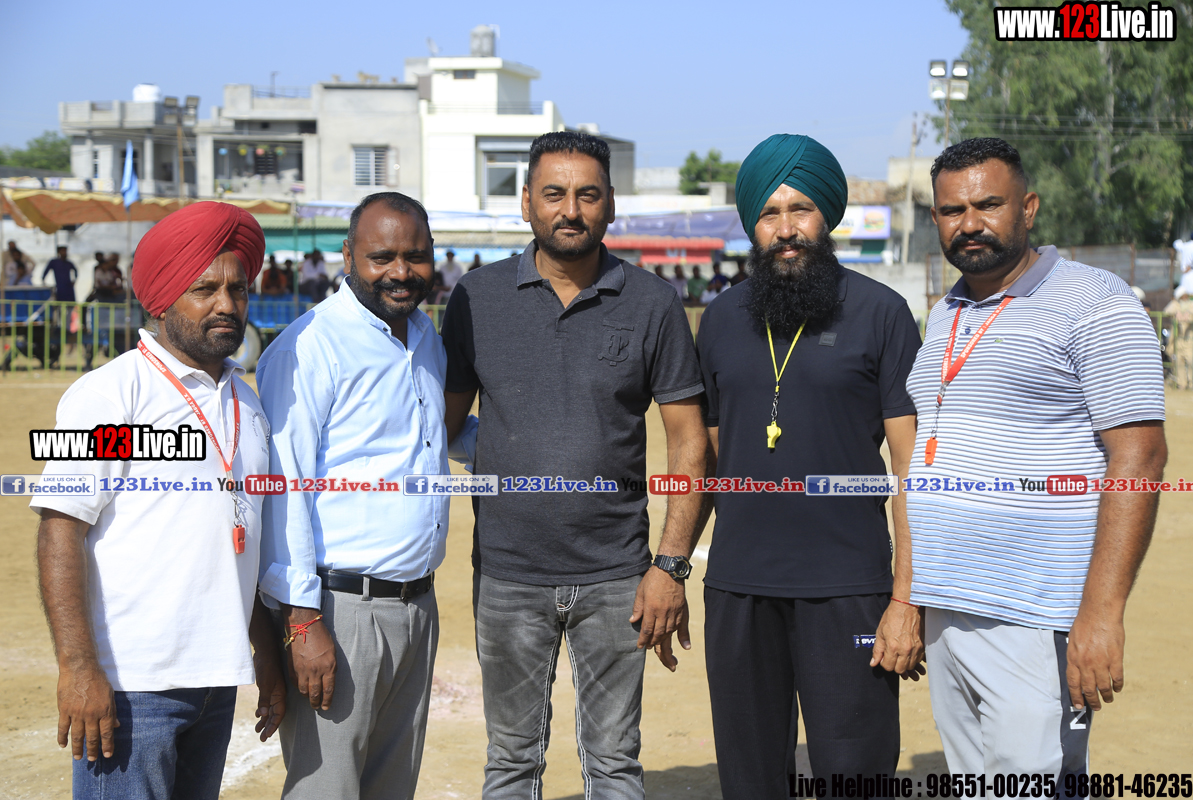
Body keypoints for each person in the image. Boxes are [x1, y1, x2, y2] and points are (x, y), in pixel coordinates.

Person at [441, 130, 709, 799]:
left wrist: (670, 566)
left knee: (615, 765)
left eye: (587, 195)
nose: (570, 210)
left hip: (619, 577)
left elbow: (688, 442)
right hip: (507, 575)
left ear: (610, 203)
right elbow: (440, 425)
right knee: (510, 761)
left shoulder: (653, 302)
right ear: (526, 202)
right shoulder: (475, 298)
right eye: (554, 193)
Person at [907, 137, 1167, 777]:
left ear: (1028, 208)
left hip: (1036, 615)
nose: (970, 223)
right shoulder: (945, 314)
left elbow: (1139, 459)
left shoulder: (1096, 302)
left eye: (989, 205)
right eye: (952, 210)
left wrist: (1101, 613)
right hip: (947, 609)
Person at [30, 201, 286, 799]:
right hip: (130, 685)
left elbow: (238, 537)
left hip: (217, 680)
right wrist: (78, 667)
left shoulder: (246, 403)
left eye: (237, 289)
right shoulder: (112, 395)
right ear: (162, 299)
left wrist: (263, 649)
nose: (227, 305)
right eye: (204, 289)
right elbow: (61, 528)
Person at [696, 133, 922, 797]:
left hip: (849, 589)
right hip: (739, 590)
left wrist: (905, 601)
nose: (786, 229)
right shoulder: (720, 319)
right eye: (769, 213)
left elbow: (912, 474)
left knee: (856, 776)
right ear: (751, 225)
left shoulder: (882, 314)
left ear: (828, 217)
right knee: (749, 781)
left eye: (801, 209)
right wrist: (670, 565)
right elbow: (706, 457)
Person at [257, 192, 473, 799]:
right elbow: (283, 490)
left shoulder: (425, 337)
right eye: (382, 257)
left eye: (416, 256)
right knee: (326, 790)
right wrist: (303, 620)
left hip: (416, 606)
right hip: (338, 611)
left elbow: (435, 435)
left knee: (390, 789)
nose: (401, 272)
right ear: (348, 256)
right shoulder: (309, 347)